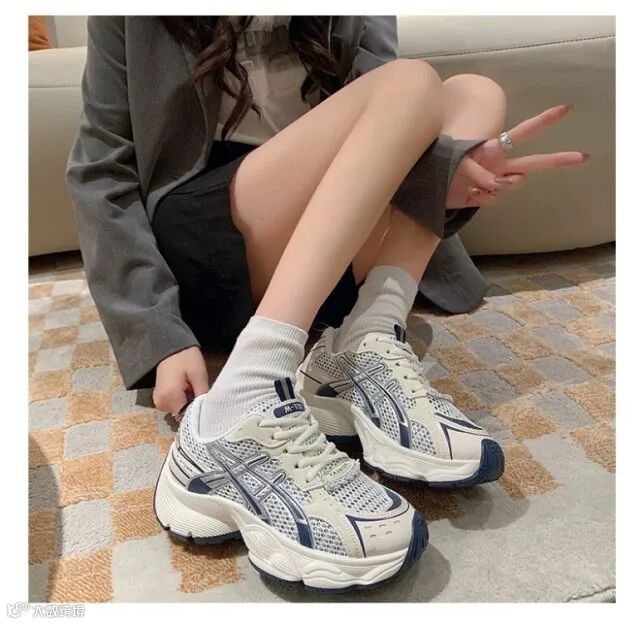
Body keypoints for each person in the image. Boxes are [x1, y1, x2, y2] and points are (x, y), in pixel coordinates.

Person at [66, 16, 586, 590]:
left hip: (330, 251)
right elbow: (101, 167)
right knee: (410, 82)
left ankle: (365, 339)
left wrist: (442, 170)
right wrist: (156, 331)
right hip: (213, 238)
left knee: (471, 93)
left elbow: (400, 124)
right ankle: (243, 397)